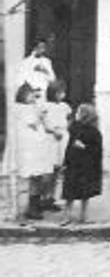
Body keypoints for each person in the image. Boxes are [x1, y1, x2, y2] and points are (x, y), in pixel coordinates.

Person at [12, 83, 54, 220]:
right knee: (32, 177)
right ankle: (29, 208)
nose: (33, 97)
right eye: (30, 94)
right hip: (29, 149)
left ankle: (35, 204)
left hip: (37, 148)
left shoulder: (32, 107)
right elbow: (33, 124)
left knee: (38, 177)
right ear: (23, 96)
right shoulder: (20, 109)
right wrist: (40, 115)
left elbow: (43, 125)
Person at [61, 104, 103, 225]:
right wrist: (66, 161)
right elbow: (69, 145)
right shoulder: (74, 128)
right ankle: (67, 216)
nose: (76, 115)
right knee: (69, 193)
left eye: (79, 112)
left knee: (85, 193)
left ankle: (84, 216)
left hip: (86, 166)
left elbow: (97, 150)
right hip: (74, 165)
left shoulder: (94, 132)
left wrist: (84, 146)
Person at [42, 80, 73, 212]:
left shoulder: (64, 106)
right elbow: (43, 122)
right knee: (48, 169)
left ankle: (52, 198)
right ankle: (44, 197)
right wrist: (53, 131)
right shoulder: (46, 106)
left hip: (62, 137)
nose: (63, 94)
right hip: (51, 138)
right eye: (60, 92)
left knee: (58, 170)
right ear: (54, 93)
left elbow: (70, 118)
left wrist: (66, 129)